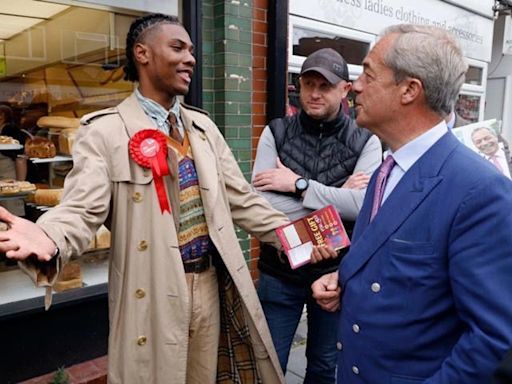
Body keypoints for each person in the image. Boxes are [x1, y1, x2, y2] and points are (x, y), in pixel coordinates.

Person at [0, 13, 290, 384]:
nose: (190, 58)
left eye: (191, 49)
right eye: (177, 47)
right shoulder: (104, 132)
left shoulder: (204, 129)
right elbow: (81, 208)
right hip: (151, 289)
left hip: (210, 286)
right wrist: (51, 235)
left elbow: (243, 201)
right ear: (143, 53)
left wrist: (299, 235)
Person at [311, 24, 512, 383]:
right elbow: (397, 268)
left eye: (368, 74)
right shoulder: (384, 172)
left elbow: (494, 340)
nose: (355, 86)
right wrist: (344, 280)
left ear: (409, 90)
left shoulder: (479, 191)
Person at [252, 48, 382, 383]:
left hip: (336, 275)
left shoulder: (366, 140)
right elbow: (261, 205)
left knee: (324, 366)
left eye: (324, 86)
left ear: (345, 90)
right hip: (279, 272)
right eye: (308, 83)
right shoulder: (276, 132)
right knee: (269, 364)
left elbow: (366, 206)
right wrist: (341, 197)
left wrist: (296, 185)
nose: (314, 93)